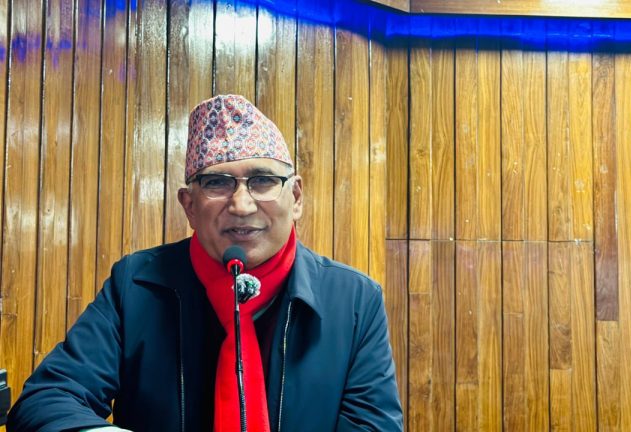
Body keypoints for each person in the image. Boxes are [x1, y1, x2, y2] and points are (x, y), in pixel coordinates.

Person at [7, 94, 403, 432]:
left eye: (263, 180)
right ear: (190, 206)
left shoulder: (354, 299)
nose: (242, 205)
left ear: (295, 197)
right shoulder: (136, 284)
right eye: (217, 183)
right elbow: (47, 399)